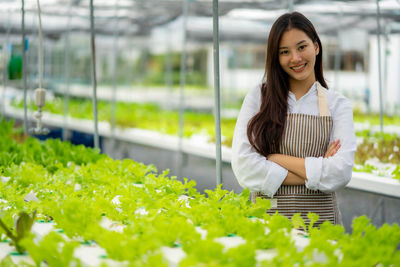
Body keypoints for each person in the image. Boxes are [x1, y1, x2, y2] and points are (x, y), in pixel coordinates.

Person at [231, 12, 356, 226]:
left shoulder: (338, 104)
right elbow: (244, 168)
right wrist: (317, 170)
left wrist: (276, 159)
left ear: (316, 46)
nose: (295, 58)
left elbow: (340, 173)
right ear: (276, 57)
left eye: (301, 47)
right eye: (284, 52)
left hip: (320, 226)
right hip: (267, 225)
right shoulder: (259, 97)